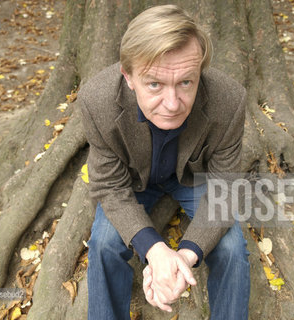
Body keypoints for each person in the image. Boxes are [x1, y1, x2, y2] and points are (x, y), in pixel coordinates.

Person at [79, 5, 250, 319]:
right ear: (128, 76)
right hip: (132, 182)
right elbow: (109, 188)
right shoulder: (97, 101)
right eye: (154, 84)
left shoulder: (230, 100)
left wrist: (185, 256)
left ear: (200, 72)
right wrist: (154, 250)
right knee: (103, 246)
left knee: (232, 249)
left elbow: (226, 191)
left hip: (192, 179)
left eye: (186, 82)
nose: (172, 105)